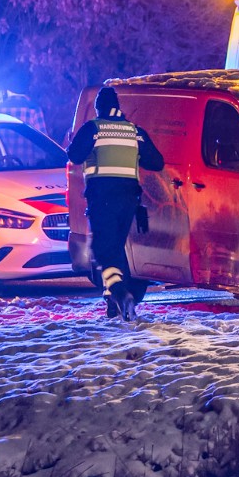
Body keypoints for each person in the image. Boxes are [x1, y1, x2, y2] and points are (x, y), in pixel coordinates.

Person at [67, 86, 164, 320]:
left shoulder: (93, 129)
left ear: (98, 108)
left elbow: (74, 155)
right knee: (116, 248)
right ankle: (114, 304)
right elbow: (157, 162)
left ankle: (121, 293)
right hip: (129, 199)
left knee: (103, 251)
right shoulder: (134, 131)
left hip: (102, 198)